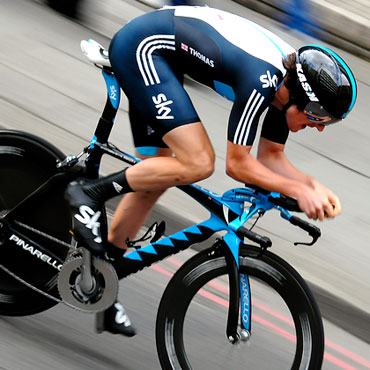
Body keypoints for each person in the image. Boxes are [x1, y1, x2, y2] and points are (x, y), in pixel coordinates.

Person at [65, 5, 357, 336]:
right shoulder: (263, 78)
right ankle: (88, 193)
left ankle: (104, 282)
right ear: (306, 101)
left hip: (163, 60)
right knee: (199, 161)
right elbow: (238, 164)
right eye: (319, 119)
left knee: (156, 177)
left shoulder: (286, 90)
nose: (318, 128)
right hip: (143, 49)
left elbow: (272, 156)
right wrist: (300, 192)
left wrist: (311, 186)